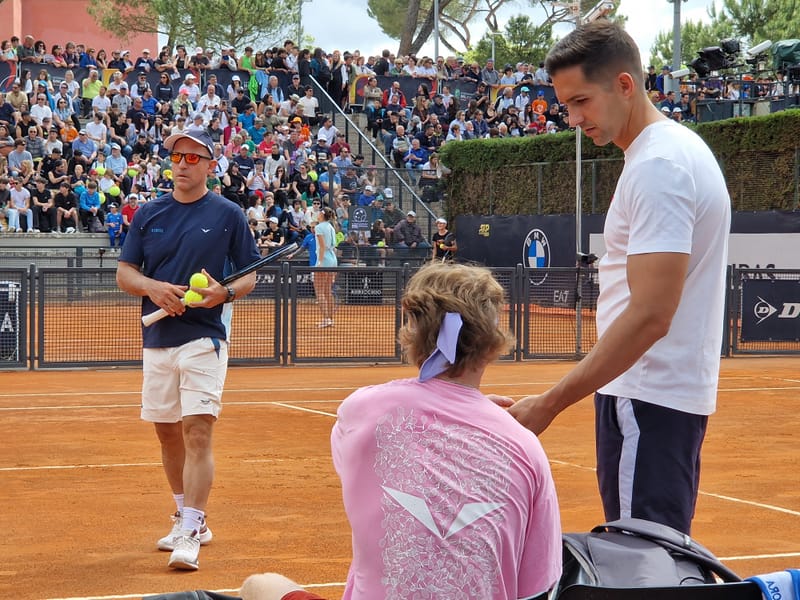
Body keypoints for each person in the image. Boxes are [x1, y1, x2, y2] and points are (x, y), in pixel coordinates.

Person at [506, 20, 731, 535]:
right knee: (655, 554)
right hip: (652, 394)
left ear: (624, 84)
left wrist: (550, 403)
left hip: (646, 394)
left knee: (642, 561)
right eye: (566, 105)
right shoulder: (664, 154)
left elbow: (650, 315)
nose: (572, 118)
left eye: (581, 101)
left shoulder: (659, 166)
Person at [329, 262, 561, 598]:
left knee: (264, 585)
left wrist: (454, 411)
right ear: (491, 343)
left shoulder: (362, 410)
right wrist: (476, 415)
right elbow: (536, 585)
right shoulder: (525, 446)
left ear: (413, 331)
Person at [116, 129, 261, 570]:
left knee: (197, 431)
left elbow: (249, 274)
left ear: (211, 166)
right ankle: (185, 514)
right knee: (166, 432)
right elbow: (126, 273)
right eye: (177, 156)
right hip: (158, 340)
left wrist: (224, 293)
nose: (182, 163)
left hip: (205, 337)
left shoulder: (228, 214)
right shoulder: (148, 213)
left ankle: (191, 528)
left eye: (193, 158)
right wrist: (153, 288)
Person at [314, 207, 337, 328]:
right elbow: (333, 246)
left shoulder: (319, 227)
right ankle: (330, 319)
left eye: (319, 213)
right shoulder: (331, 227)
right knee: (328, 291)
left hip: (324, 260)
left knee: (319, 291)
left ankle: (326, 318)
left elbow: (322, 246)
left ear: (322, 215)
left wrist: (319, 262)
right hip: (332, 260)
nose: (317, 214)